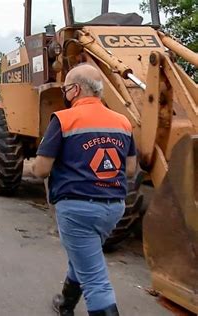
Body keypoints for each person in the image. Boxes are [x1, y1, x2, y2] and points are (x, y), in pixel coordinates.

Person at [32, 64, 136, 316]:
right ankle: (65, 304)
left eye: (67, 89)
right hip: (113, 207)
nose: (66, 94)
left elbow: (41, 169)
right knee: (85, 256)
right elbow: (130, 170)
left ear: (75, 89)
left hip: (77, 209)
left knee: (95, 279)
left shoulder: (64, 119)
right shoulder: (123, 121)